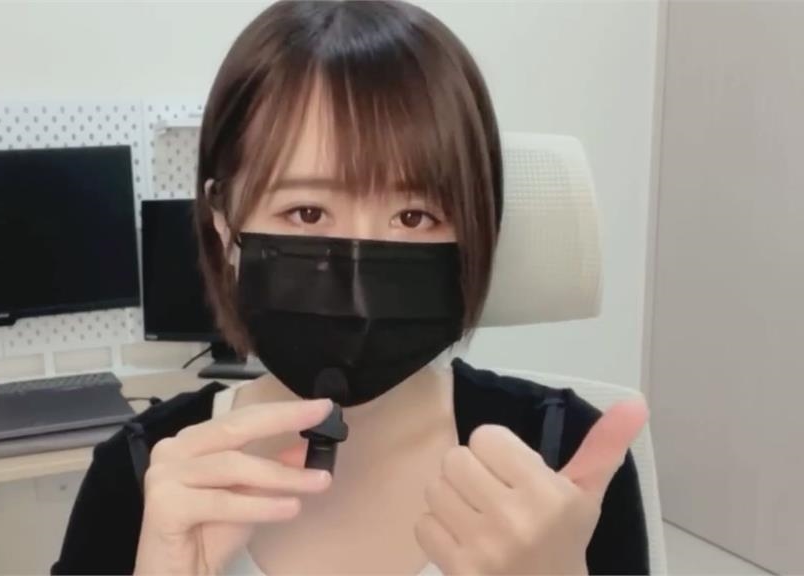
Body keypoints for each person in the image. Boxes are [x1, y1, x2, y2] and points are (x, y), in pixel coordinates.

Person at [53, 1, 650, 574]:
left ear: (477, 227)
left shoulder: (566, 467)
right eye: (307, 213)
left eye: (414, 216)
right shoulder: (141, 476)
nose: (358, 289)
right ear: (223, 221)